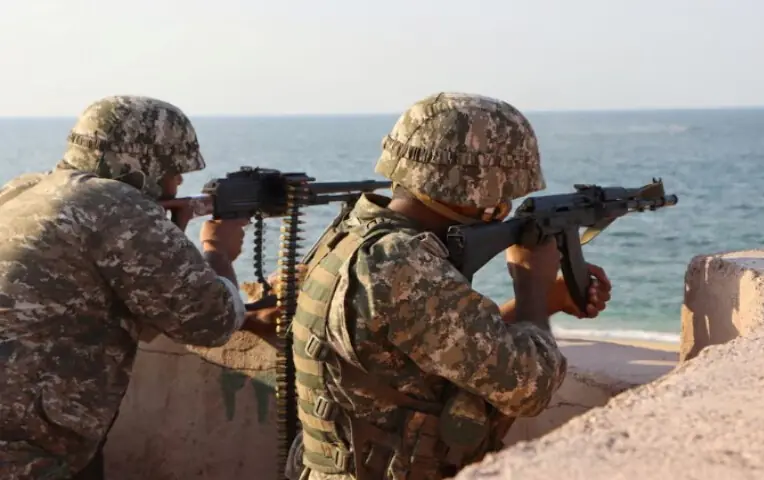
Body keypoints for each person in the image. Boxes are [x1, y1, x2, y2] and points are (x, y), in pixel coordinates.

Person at [284, 92, 613, 480]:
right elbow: (530, 386)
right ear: (479, 190)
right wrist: (531, 286)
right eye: (505, 194)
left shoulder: (353, 234)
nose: (506, 205)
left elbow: (436, 341)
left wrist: (551, 298)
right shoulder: (401, 264)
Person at [0, 95, 276, 480]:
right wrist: (218, 249)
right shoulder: (114, 202)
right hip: (23, 450)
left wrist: (169, 235)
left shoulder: (22, 190)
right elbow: (211, 323)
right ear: (142, 164)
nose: (178, 182)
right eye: (174, 170)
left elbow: (132, 305)